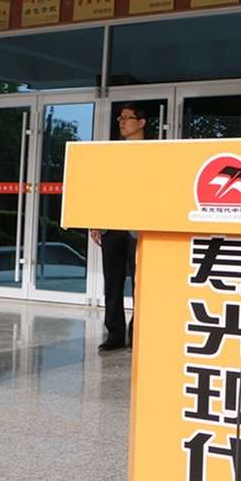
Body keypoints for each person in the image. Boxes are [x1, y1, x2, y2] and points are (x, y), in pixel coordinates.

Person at [92, 102, 147, 353]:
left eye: (128, 117)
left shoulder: (154, 153)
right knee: (112, 283)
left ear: (141, 122)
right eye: (120, 118)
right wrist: (96, 220)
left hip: (139, 228)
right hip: (113, 227)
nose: (122, 122)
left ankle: (138, 332)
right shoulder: (112, 153)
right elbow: (102, 188)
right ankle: (114, 333)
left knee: (140, 284)